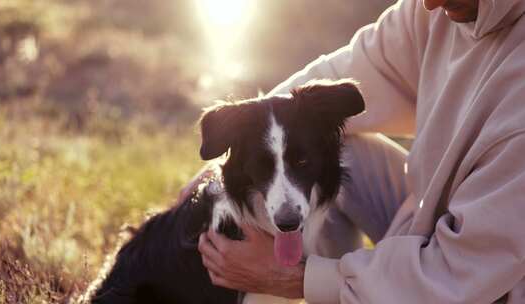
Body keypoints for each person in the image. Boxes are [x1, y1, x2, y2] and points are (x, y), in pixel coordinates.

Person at [195, 0, 525, 303]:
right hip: (429, 216)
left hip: (486, 286)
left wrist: (295, 278)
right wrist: (236, 139)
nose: (429, 4)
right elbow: (348, 72)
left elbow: (458, 276)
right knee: (334, 149)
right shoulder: (438, 10)